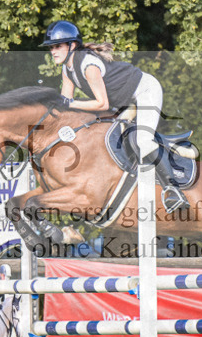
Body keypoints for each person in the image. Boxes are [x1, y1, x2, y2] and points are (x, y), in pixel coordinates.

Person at [40, 20, 188, 212]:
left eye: (57, 46)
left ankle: (173, 189)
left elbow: (102, 104)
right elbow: (64, 105)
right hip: (125, 102)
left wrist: (70, 103)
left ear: (72, 45)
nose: (53, 51)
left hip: (145, 91)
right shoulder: (67, 70)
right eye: (51, 47)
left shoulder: (87, 65)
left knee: (142, 140)